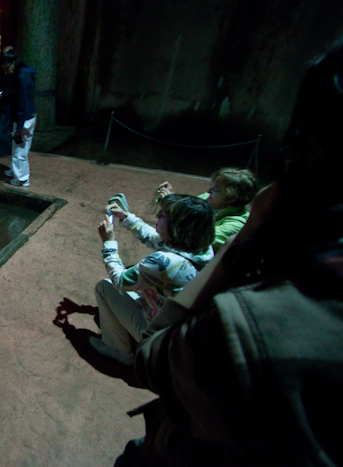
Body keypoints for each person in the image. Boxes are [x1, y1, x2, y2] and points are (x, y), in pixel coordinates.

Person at [115, 45, 343, 467]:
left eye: (163, 217)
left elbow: (153, 354)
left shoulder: (254, 318)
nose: (208, 194)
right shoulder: (198, 231)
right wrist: (138, 218)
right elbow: (164, 233)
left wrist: (245, 242)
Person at [91, 194, 215, 366]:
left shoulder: (165, 263)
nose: (157, 216)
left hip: (157, 335)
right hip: (178, 329)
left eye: (163, 215)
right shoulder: (202, 248)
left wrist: (109, 244)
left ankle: (119, 350)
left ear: (176, 227)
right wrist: (127, 217)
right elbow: (154, 238)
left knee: (105, 287)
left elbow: (120, 281)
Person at [157, 167, 257, 252]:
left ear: (231, 198)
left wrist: (170, 205)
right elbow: (187, 213)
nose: (208, 191)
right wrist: (173, 198)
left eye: (216, 190)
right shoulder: (207, 199)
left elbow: (196, 239)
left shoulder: (237, 224)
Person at [0, 49, 36, 187]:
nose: (6, 71)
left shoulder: (22, 78)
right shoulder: (25, 74)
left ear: (14, 62)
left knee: (20, 150)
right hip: (27, 116)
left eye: (7, 68)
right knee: (20, 148)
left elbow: (22, 104)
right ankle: (17, 171)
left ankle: (22, 179)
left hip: (24, 119)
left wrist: (20, 127)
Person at [0, 46, 15, 158]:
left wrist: (4, 95)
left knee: (10, 131)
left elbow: (14, 91)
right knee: (8, 130)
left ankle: (9, 148)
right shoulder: (7, 73)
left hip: (13, 109)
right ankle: (9, 149)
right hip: (8, 108)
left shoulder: (19, 76)